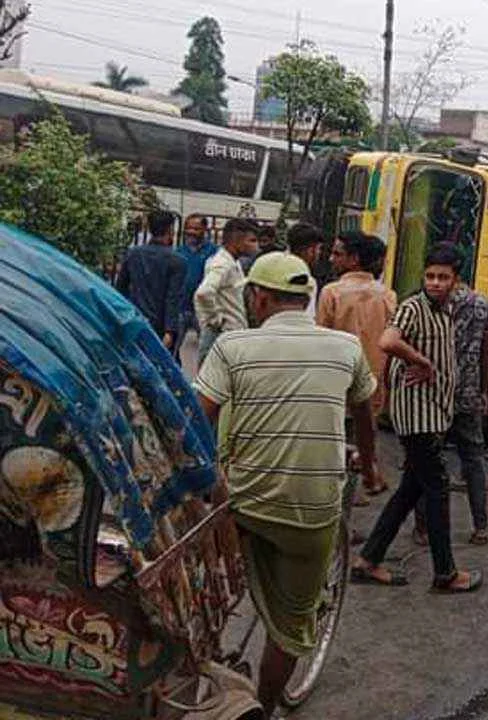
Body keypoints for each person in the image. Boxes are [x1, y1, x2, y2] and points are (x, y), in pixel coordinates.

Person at [193, 252, 380, 717]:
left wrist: (205, 484)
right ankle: (268, 706)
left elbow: (197, 422)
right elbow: (364, 414)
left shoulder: (232, 347)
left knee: (214, 591)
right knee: (292, 627)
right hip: (312, 513)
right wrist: (371, 467)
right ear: (305, 299)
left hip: (242, 504)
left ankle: (209, 649)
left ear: (257, 297)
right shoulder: (345, 348)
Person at [353, 244, 482, 591]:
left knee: (410, 490)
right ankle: (446, 573)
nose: (435, 283)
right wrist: (420, 361)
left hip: (435, 414)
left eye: (443, 277)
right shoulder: (413, 307)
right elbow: (388, 340)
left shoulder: (447, 309)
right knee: (437, 488)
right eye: (430, 276)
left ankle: (369, 559)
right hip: (418, 417)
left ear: (456, 280)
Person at [414, 245, 488, 546]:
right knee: (473, 460)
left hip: (432, 394)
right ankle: (481, 526)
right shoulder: (481, 305)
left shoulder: (426, 303)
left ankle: (423, 528)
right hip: (467, 393)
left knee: (426, 461)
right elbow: (487, 349)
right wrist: (484, 391)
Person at [317, 231, 397, 498]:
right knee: (363, 437)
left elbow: (321, 338)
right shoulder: (388, 295)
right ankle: (358, 490)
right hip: (373, 382)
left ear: (354, 259)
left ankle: (338, 504)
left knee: (335, 447)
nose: (331, 258)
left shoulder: (331, 293)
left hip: (336, 381)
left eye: (338, 253)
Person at [115, 210, 187, 358]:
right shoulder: (177, 261)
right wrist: (170, 331)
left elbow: (120, 288)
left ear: (149, 228)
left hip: (134, 319)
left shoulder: (133, 254)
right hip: (160, 326)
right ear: (171, 230)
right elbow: (173, 298)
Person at [194, 218, 259, 367]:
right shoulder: (222, 264)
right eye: (252, 240)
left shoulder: (233, 262)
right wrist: (215, 320)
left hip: (230, 333)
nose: (256, 246)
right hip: (222, 335)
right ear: (237, 241)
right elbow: (203, 293)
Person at [175, 216, 217, 363]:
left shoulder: (214, 253)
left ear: (205, 230)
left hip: (203, 310)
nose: (191, 232)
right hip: (181, 307)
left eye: (196, 228)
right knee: (172, 350)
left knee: (207, 353)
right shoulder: (179, 251)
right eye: (188, 228)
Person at [286, 222, 325, 315]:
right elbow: (309, 315)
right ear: (310, 250)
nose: (319, 253)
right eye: (319, 249)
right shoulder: (307, 281)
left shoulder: (272, 270)